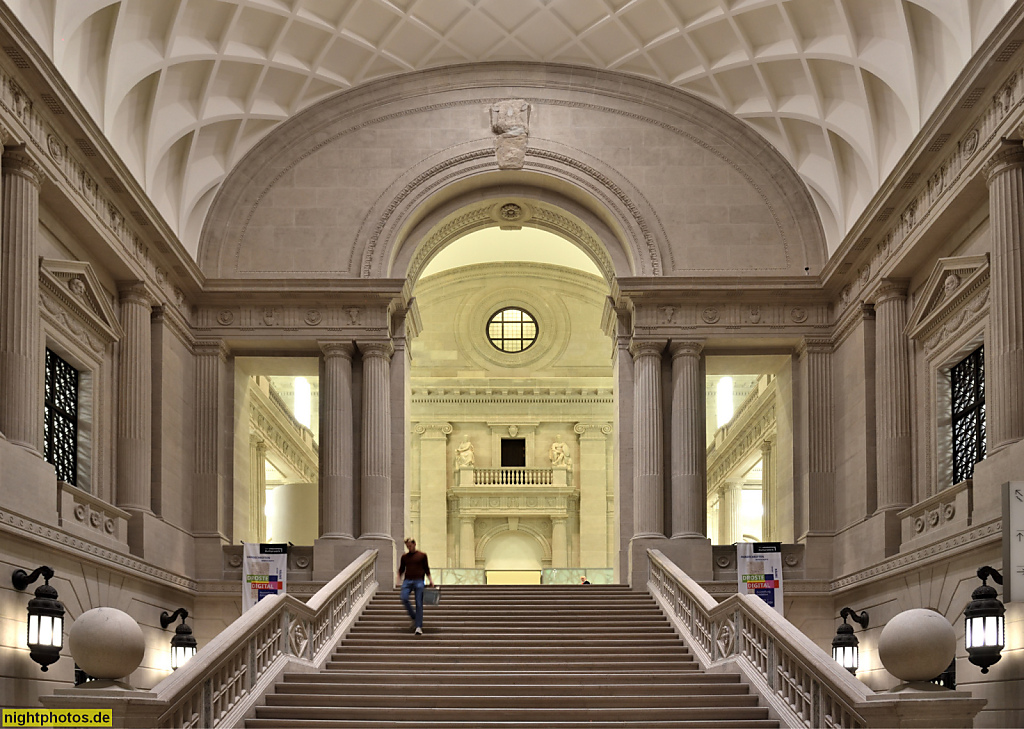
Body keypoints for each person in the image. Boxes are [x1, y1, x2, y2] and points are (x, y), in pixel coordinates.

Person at [398, 538, 434, 636]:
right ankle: (414, 617)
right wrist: (398, 580)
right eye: (407, 546)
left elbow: (426, 569)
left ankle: (418, 626)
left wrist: (431, 580)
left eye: (410, 545)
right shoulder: (404, 557)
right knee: (404, 598)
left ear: (414, 544)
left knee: (419, 603)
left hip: (419, 581)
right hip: (407, 581)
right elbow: (401, 569)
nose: (409, 547)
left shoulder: (422, 555)